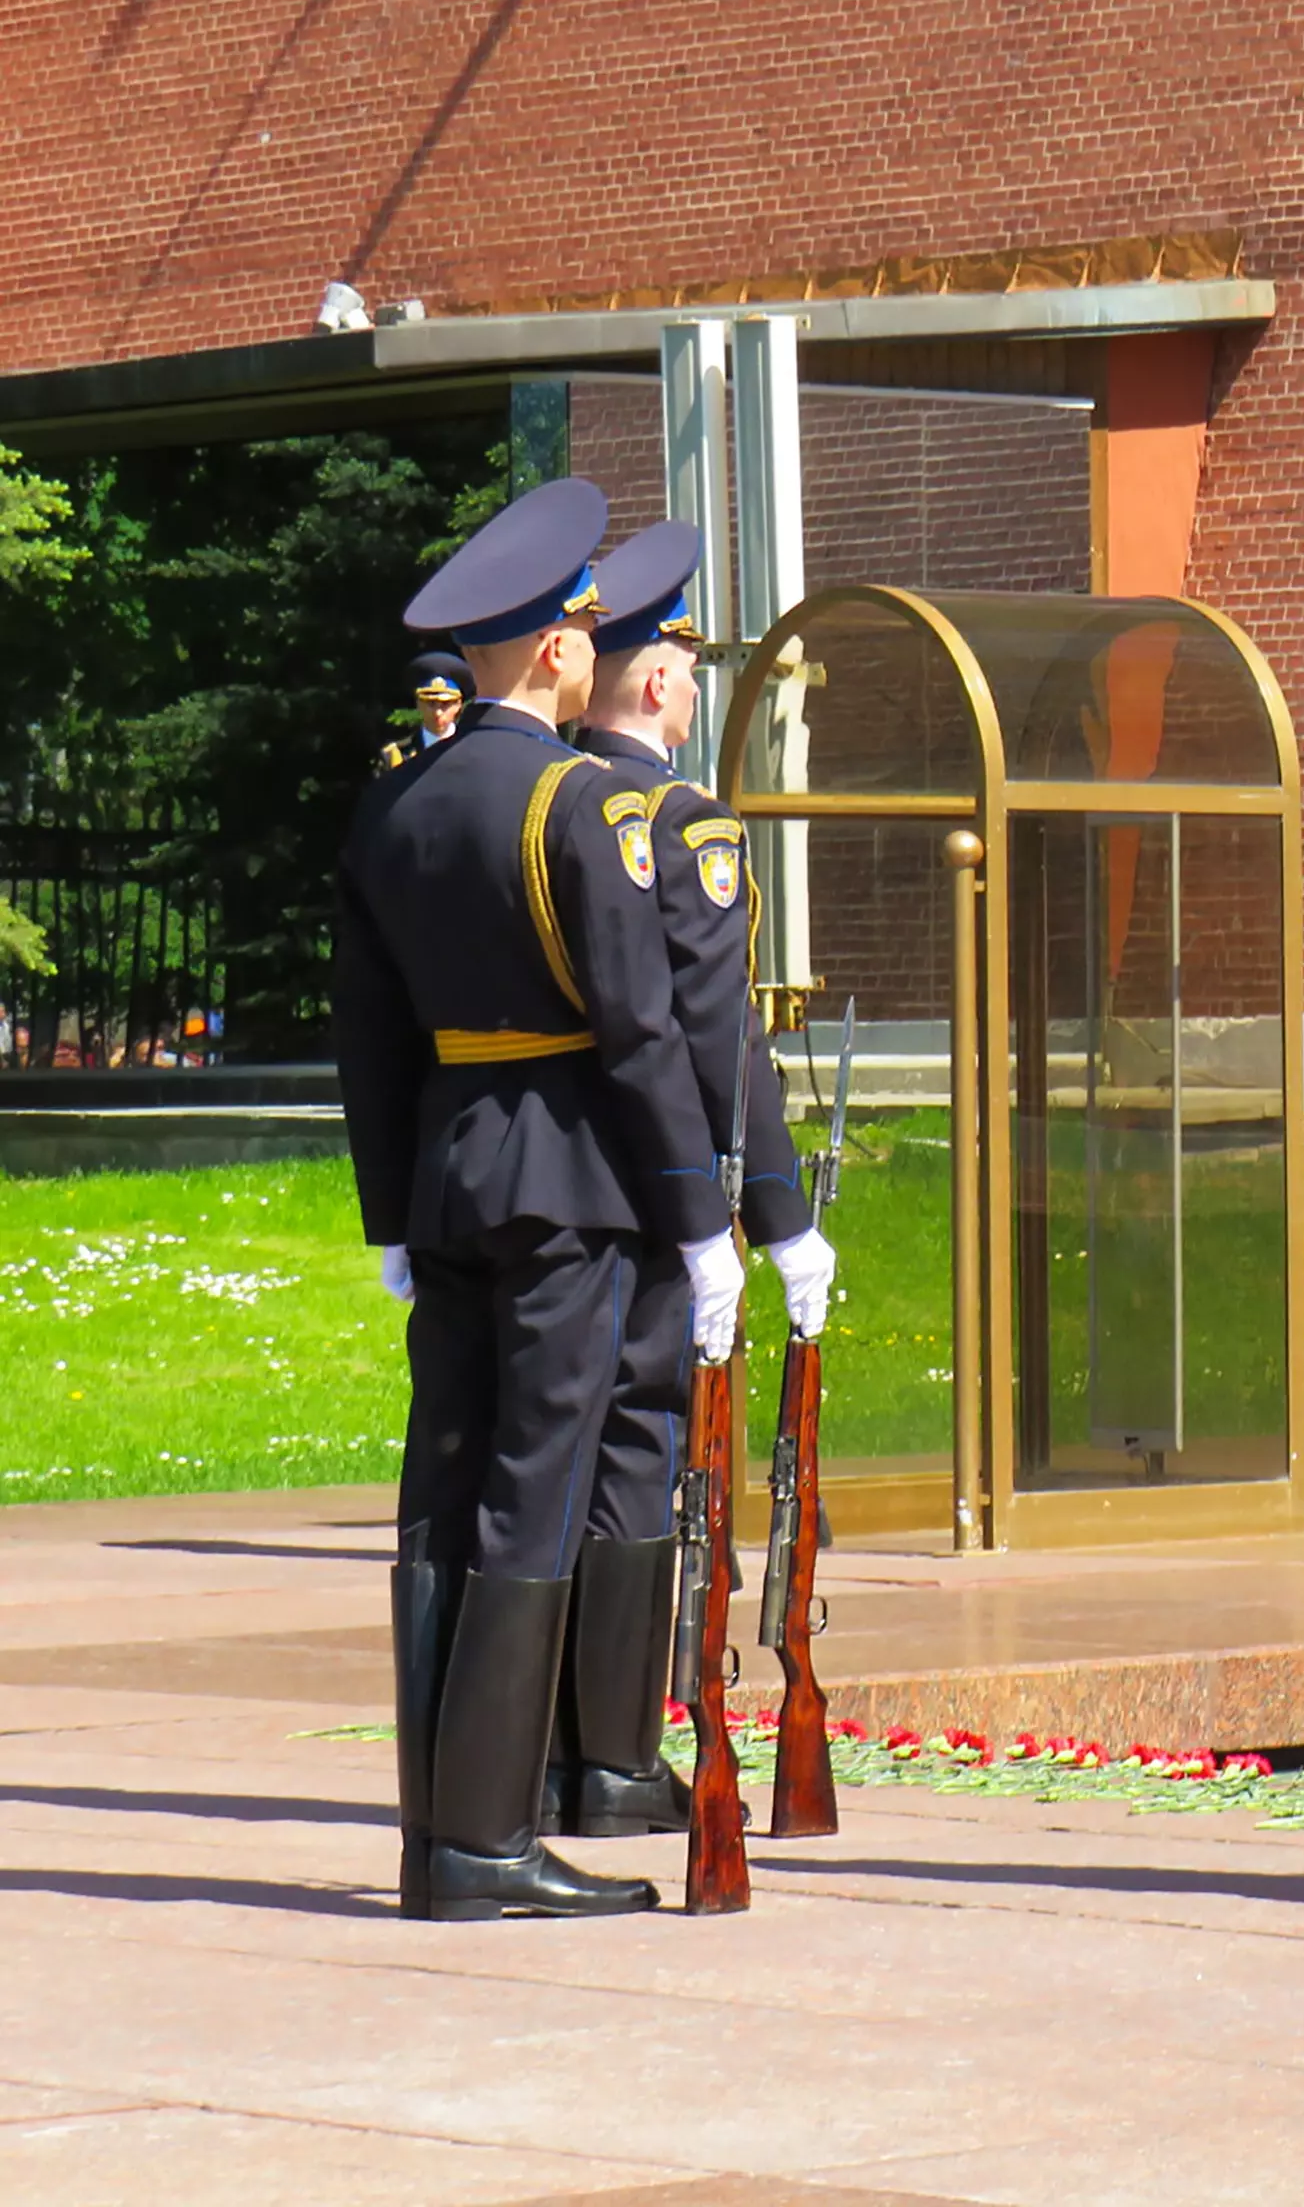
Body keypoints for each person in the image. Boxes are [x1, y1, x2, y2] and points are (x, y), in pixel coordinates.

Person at [332, 478, 743, 1922]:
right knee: (536, 1490)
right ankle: (485, 1844)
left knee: (440, 1493)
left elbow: (369, 1034)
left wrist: (389, 1212)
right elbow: (637, 1032)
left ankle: (436, 1831)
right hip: (571, 1185)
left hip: (448, 1178)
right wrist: (701, 1223)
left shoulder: (397, 806)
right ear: (562, 652)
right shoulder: (577, 804)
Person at [558, 518, 837, 1835]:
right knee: (643, 1457)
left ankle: (555, 1747)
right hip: (661, 1202)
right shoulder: (681, 824)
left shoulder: (545, 805)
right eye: (682, 662)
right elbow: (717, 1040)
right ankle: (615, 1757)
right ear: (662, 683)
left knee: (547, 1464)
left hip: (556, 1192)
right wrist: (777, 1224)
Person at [376, 651, 472, 770]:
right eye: (431, 704)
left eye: (445, 704)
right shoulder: (396, 756)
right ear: (418, 703)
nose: (438, 712)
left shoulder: (473, 750)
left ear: (458, 705)